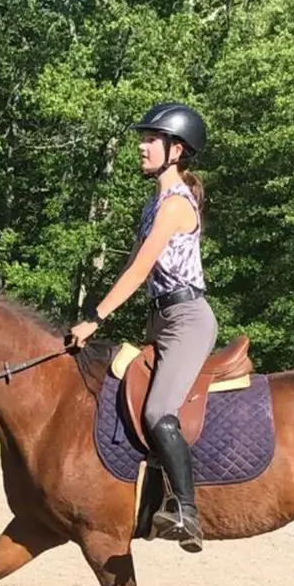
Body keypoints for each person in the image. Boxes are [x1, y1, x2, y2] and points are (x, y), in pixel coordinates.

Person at [69, 102, 217, 554]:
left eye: (152, 139)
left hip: (187, 321)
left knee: (157, 412)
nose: (142, 146)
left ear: (176, 151)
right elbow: (134, 268)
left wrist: (96, 318)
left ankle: (187, 512)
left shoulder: (175, 205)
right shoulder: (153, 205)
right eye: (144, 138)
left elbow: (138, 270)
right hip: (160, 318)